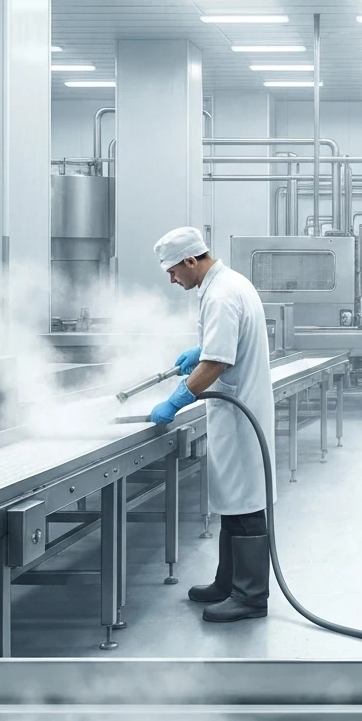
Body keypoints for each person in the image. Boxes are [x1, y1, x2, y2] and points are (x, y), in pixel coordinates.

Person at [149, 226, 276, 623]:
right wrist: (201, 350)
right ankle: (229, 582)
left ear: (191, 261)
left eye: (173, 271)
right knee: (232, 500)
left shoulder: (221, 294)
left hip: (242, 415)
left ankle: (251, 596)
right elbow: (217, 350)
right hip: (237, 410)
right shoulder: (228, 284)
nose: (172, 279)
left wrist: (177, 399)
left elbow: (218, 362)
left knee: (246, 502)